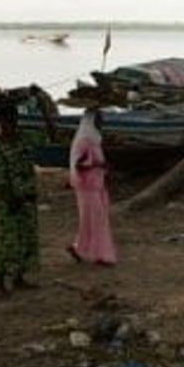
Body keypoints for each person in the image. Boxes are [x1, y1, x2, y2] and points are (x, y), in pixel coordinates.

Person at [0, 104, 39, 297]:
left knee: (27, 241)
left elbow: (52, 135)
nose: (12, 124)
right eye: (7, 121)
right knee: (7, 244)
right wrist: (5, 197)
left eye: (14, 120)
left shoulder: (23, 140)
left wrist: (44, 110)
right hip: (8, 203)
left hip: (27, 199)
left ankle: (19, 279)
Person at [67, 109, 118, 266]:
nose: (102, 122)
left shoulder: (93, 138)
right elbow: (78, 165)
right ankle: (101, 255)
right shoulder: (84, 140)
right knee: (97, 220)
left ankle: (79, 248)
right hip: (87, 187)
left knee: (91, 221)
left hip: (97, 185)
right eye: (99, 119)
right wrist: (97, 164)